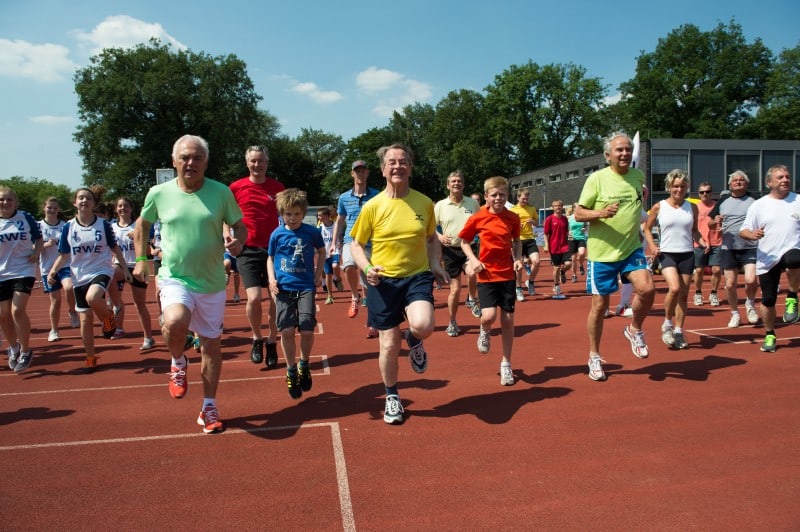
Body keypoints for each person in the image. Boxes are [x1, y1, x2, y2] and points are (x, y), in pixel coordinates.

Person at [133, 134, 246, 434]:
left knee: (211, 346)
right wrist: (141, 259)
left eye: (197, 157)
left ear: (206, 162)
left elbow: (239, 226)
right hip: (174, 275)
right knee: (175, 319)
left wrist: (238, 244)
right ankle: (178, 361)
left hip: (211, 282)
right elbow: (142, 225)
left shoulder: (221, 192)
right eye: (184, 157)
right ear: (174, 161)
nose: (190, 162)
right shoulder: (158, 193)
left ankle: (209, 406)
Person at [350, 143, 448, 425]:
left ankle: (415, 340)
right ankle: (392, 396)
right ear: (383, 170)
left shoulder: (424, 203)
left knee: (424, 325)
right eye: (391, 162)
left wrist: (435, 264)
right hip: (383, 281)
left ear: (410, 168)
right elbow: (356, 244)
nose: (398, 166)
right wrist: (367, 268)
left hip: (416, 276)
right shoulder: (373, 206)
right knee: (388, 343)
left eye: (403, 161)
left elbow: (431, 238)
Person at [575, 131, 655, 381]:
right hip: (602, 253)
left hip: (630, 248)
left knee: (648, 289)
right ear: (607, 155)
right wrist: (600, 213)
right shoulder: (596, 180)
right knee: (600, 307)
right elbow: (578, 213)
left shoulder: (637, 176)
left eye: (628, 149)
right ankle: (594, 356)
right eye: (619, 150)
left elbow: (637, 207)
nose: (624, 153)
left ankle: (634, 329)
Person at [48, 188, 132, 371]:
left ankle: (108, 317)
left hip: (101, 270)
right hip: (79, 275)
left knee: (93, 297)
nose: (84, 200)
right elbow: (63, 255)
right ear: (74, 203)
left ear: (94, 203)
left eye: (88, 198)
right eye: (80, 198)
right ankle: (91, 357)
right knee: (85, 319)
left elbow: (115, 249)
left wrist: (125, 268)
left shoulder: (103, 225)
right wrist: (53, 271)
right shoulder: (68, 227)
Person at [459, 176, 522, 386]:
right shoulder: (478, 218)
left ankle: (506, 364)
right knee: (489, 316)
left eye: (502, 194)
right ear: (486, 196)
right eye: (494, 195)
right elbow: (464, 241)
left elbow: (516, 241)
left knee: (508, 320)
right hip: (486, 274)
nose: (498, 198)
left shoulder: (513, 218)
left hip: (507, 275)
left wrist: (518, 259)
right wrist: (474, 260)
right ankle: (484, 330)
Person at [267, 188, 325, 399]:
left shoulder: (312, 232)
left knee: (308, 329)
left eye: (296, 214)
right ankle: (291, 370)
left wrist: (319, 274)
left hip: (306, 286)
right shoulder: (277, 234)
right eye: (288, 214)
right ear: (282, 214)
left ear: (303, 213)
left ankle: (304, 363)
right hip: (283, 288)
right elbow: (270, 258)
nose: (292, 218)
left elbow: (322, 251)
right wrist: (271, 279)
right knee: (287, 331)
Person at [229, 145, 283, 368]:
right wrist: (227, 237)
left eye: (261, 161)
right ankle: (256, 338)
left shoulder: (278, 188)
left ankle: (271, 340)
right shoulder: (235, 187)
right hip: (247, 249)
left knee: (274, 299)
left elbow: (288, 216)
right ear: (247, 162)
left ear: (267, 163)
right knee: (253, 299)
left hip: (273, 250)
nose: (257, 164)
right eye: (253, 161)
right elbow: (226, 216)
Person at [739, 164, 800, 353]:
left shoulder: (798, 200)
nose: (785, 180)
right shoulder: (759, 205)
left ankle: (792, 296)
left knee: (794, 260)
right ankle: (770, 334)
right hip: (767, 258)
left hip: (792, 249)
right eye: (780, 177)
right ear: (769, 182)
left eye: (787, 176)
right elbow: (743, 230)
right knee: (768, 299)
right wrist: (752, 235)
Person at [643, 170, 705, 350]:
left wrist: (702, 241)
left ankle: (678, 331)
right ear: (669, 187)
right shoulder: (659, 206)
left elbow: (694, 230)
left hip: (687, 253)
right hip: (667, 253)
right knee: (675, 288)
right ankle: (667, 324)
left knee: (684, 295)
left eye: (683, 186)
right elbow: (647, 229)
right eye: (676, 186)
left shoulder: (691, 207)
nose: (679, 189)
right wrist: (653, 246)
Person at [708, 170, 759, 328]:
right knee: (730, 285)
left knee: (751, 280)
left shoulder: (754, 201)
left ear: (746, 183)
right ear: (730, 185)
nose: (738, 182)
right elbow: (709, 224)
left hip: (750, 246)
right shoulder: (722, 201)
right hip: (728, 247)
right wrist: (715, 221)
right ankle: (735, 313)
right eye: (735, 180)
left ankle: (750, 304)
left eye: (741, 180)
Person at [332, 160, 380, 323]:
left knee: (372, 280)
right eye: (357, 171)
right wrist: (333, 242)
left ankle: (374, 321)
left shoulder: (377, 195)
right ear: (352, 173)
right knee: (349, 266)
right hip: (350, 240)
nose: (360, 173)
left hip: (372, 242)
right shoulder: (344, 197)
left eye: (363, 170)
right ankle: (354, 296)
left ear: (367, 173)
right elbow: (339, 220)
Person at [0, 186, 42, 373]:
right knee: (3, 314)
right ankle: (13, 347)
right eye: (1, 199)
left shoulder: (25, 218)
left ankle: (25, 350)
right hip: (2, 272)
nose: (5, 203)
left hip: (23, 269)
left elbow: (39, 238)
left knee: (17, 309)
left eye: (9, 199)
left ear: (15, 202)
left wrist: (36, 252)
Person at [434, 170, 480, 337]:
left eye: (459, 181)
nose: (456, 183)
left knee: (473, 273)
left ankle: (472, 299)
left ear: (463, 184)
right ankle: (452, 321)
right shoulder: (440, 205)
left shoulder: (472, 204)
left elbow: (480, 224)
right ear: (448, 185)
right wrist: (440, 236)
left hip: (470, 248)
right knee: (454, 290)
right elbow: (431, 227)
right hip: (450, 251)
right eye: (453, 181)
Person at [108, 197, 156, 350]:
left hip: (137, 267)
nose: (123, 208)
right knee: (111, 274)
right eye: (120, 206)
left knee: (140, 305)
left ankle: (148, 337)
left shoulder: (138, 226)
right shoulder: (110, 227)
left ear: (131, 208)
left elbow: (149, 251)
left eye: (126, 206)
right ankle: (118, 325)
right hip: (119, 266)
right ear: (116, 209)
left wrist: (136, 236)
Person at [38, 197, 79, 342]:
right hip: (47, 268)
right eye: (49, 207)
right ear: (44, 208)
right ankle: (54, 330)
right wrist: (46, 245)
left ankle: (72, 311)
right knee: (55, 300)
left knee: (69, 287)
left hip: (65, 265)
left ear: (59, 210)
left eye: (55, 208)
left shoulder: (65, 226)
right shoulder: (38, 226)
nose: (52, 210)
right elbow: (31, 249)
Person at [692, 182, 723, 306]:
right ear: (699, 194)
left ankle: (714, 293)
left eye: (707, 191)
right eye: (702, 192)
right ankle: (698, 293)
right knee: (699, 270)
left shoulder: (718, 206)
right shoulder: (695, 207)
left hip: (717, 241)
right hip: (700, 243)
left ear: (712, 193)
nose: (705, 194)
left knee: (716, 270)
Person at [509, 188, 540, 299]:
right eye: (523, 199)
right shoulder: (513, 210)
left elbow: (537, 223)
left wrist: (533, 222)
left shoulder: (531, 209)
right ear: (518, 198)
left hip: (530, 239)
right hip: (518, 240)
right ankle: (518, 289)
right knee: (520, 266)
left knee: (536, 261)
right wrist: (516, 226)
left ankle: (530, 281)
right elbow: (509, 226)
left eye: (526, 199)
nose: (525, 201)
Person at [543, 200, 572, 299]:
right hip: (554, 247)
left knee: (568, 264)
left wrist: (570, 236)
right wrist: (546, 245)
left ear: (562, 207)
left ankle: (563, 272)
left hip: (565, 246)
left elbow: (566, 231)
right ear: (553, 207)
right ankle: (556, 285)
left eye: (560, 206)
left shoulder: (565, 219)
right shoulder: (549, 219)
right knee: (556, 267)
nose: (558, 207)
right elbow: (546, 234)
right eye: (556, 206)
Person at [317, 206, 342, 305]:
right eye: (318, 216)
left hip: (335, 251)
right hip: (325, 254)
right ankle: (330, 296)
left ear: (327, 216)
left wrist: (341, 243)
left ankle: (338, 279)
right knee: (328, 274)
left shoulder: (336, 225)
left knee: (335, 266)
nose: (319, 217)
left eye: (320, 215)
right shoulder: (319, 228)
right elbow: (317, 240)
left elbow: (342, 235)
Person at [567, 204, 587, 283]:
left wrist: (584, 228)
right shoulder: (569, 218)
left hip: (581, 238)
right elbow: (567, 228)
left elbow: (585, 227)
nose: (579, 209)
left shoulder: (583, 217)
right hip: (572, 239)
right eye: (577, 208)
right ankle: (574, 275)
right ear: (574, 209)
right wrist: (569, 233)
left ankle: (581, 265)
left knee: (582, 254)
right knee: (573, 259)